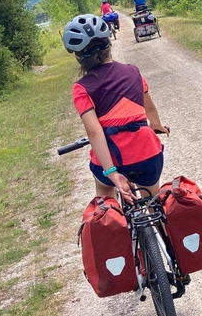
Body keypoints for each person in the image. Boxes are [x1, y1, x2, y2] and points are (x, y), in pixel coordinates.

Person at [62, 14, 169, 198]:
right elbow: (149, 109)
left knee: (106, 201)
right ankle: (159, 222)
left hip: (112, 158)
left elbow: (94, 132)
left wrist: (111, 172)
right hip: (147, 155)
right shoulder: (133, 72)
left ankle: (114, 220)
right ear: (108, 44)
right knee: (154, 202)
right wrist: (157, 126)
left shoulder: (81, 88)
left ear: (79, 57)